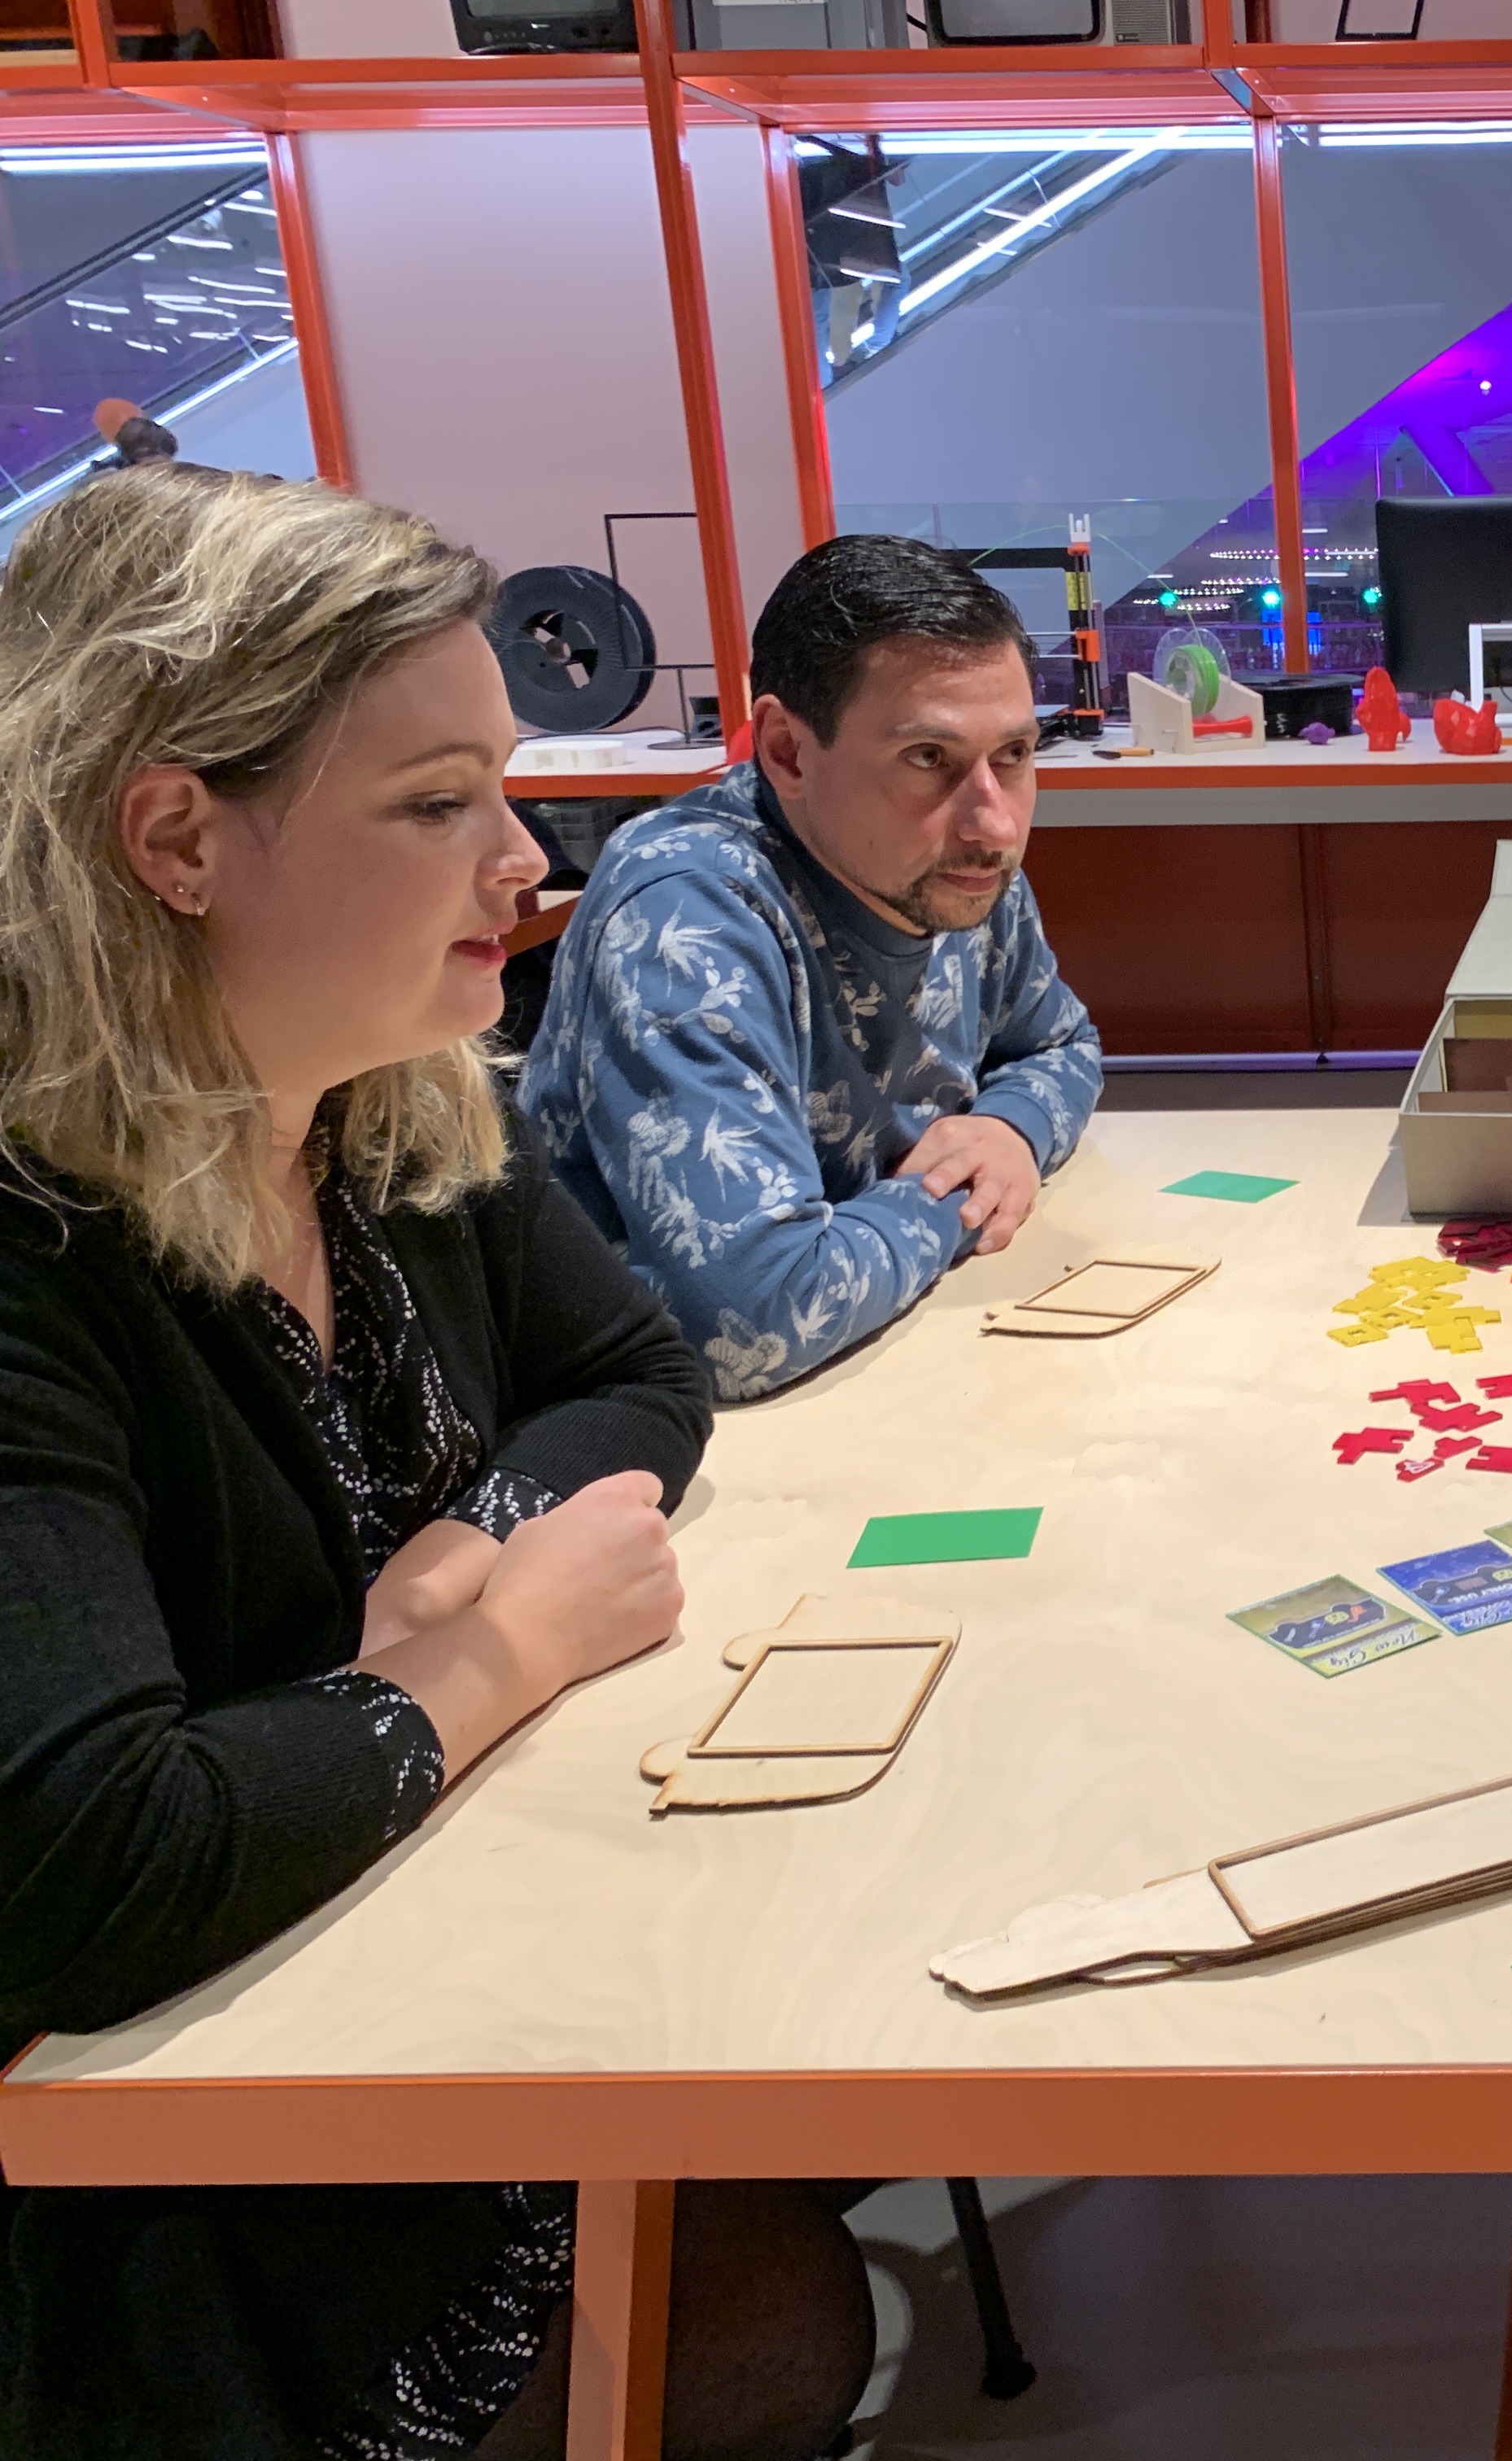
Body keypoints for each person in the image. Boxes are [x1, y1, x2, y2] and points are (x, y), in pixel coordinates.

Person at [0, 470, 874, 2458]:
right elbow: (85, 1870)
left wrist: (470, 1544)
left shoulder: (377, 1104)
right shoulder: (34, 1249)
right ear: (174, 840)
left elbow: (635, 1372)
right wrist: (497, 1654)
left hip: (426, 1962)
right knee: (758, 2320)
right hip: (172, 2187)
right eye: (435, 804)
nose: (523, 860)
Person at [520, 534, 1103, 1402]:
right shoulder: (686, 908)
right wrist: (960, 1194)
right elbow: (751, 1319)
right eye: (928, 759)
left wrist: (1010, 1130)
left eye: (1014, 755)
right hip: (649, 1432)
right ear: (788, 751)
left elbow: (1061, 1045)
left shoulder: (953, 871)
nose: (996, 826)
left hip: (882, 1367)